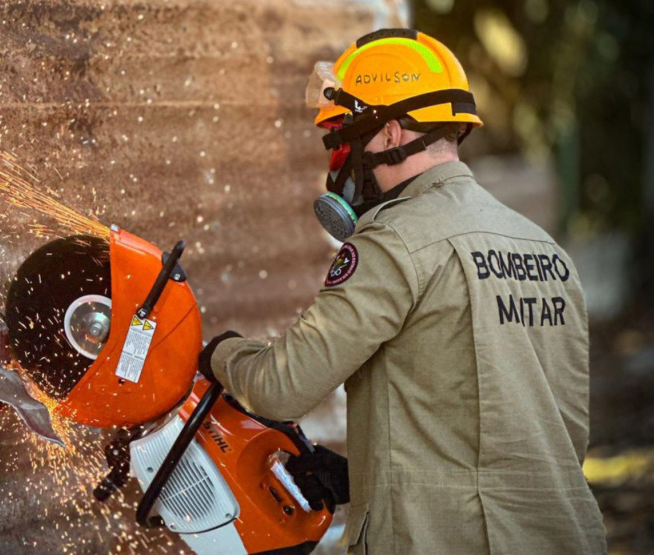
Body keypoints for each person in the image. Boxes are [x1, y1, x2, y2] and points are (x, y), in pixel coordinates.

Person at [198, 28, 607, 554]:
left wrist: (222, 354)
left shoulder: (393, 240)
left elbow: (281, 387)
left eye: (346, 137)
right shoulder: (544, 249)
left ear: (390, 133)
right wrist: (368, 476)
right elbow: (543, 428)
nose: (340, 158)